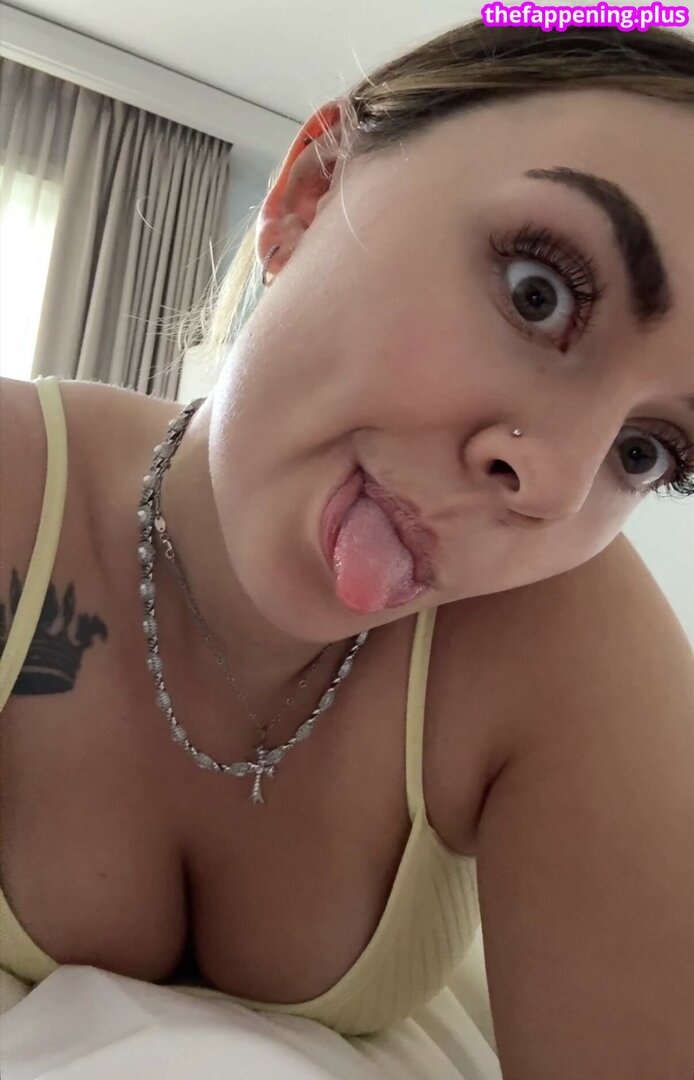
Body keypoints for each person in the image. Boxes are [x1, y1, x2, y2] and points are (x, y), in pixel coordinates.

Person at [1, 18, 693, 1074]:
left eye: (647, 452)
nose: (555, 485)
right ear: (309, 195)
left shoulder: (565, 640)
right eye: (538, 292)